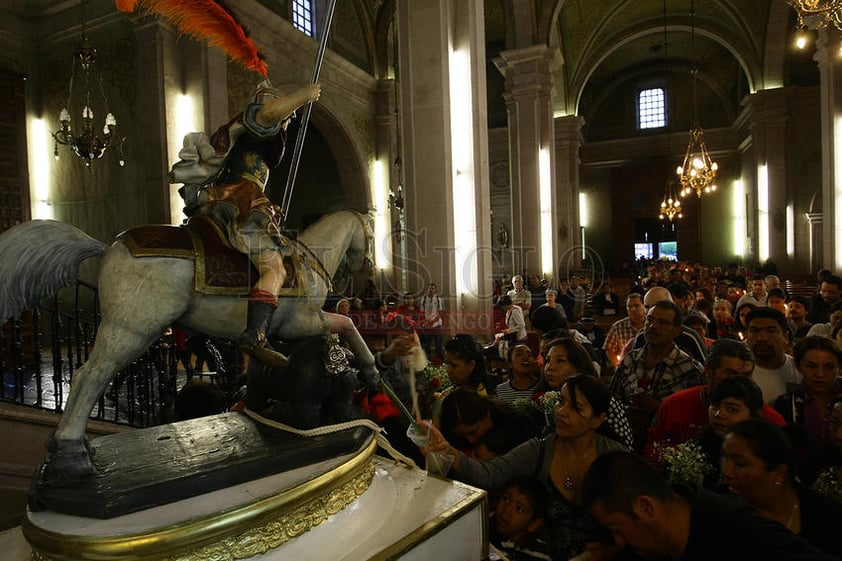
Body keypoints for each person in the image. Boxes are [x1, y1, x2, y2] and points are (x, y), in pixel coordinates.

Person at [169, 80, 321, 368]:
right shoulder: (256, 122)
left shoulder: (254, 138)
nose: (287, 120)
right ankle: (255, 334)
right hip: (241, 200)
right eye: (287, 116)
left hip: (235, 197)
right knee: (273, 266)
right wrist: (304, 95)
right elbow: (269, 114)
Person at [422, 374, 628, 561]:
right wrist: (451, 453)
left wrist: (613, 551)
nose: (562, 412)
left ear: (598, 420)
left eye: (576, 408)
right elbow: (491, 474)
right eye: (561, 401)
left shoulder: (615, 459)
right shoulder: (538, 450)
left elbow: (635, 521)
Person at [581, 450, 841, 561]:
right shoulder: (650, 547)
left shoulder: (742, 534)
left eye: (617, 528)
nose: (619, 541)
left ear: (646, 507)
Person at [644, 337, 786, 461]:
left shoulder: (767, 418)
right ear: (708, 371)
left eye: (747, 375)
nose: (739, 382)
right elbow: (652, 451)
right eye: (730, 373)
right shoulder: (674, 406)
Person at [722, 419, 842, 558]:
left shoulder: (826, 516)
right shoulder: (718, 508)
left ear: (778, 473)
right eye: (725, 458)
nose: (727, 471)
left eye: (740, 464)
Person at [611, 300, 705, 451]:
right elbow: (613, 398)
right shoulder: (630, 360)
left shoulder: (689, 369)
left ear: (677, 331)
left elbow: (694, 420)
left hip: (667, 450)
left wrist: (659, 408)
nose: (653, 326)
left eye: (662, 322)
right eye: (650, 319)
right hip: (625, 443)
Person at [537, 337, 633, 450]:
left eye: (560, 361)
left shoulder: (604, 401)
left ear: (578, 367)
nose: (550, 367)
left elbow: (624, 450)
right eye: (548, 360)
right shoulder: (545, 398)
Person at [774, 336, 842, 464]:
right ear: (798, 366)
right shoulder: (787, 403)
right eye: (811, 366)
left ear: (839, 368)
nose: (820, 374)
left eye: (829, 367)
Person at [745, 307, 801, 404]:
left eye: (771, 331)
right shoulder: (738, 373)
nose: (761, 338)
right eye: (754, 331)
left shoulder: (799, 371)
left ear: (785, 336)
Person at [490, 476, 551, 561]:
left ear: (534, 524)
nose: (507, 510)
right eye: (506, 499)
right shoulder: (482, 526)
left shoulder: (539, 554)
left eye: (519, 509)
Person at [603, 293, 646, 367]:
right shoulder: (618, 326)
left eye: (636, 306)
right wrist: (617, 365)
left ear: (644, 306)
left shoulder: (651, 325)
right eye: (629, 306)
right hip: (626, 366)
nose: (633, 309)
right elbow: (608, 348)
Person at [419, 282, 446, 362]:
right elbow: (421, 312)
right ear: (428, 289)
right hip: (427, 326)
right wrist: (426, 322)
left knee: (438, 346)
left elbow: (441, 312)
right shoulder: (423, 299)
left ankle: (440, 363)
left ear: (435, 290)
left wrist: (433, 321)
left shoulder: (438, 299)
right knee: (427, 346)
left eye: (433, 288)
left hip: (437, 325)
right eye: (430, 288)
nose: (431, 290)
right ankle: (427, 363)